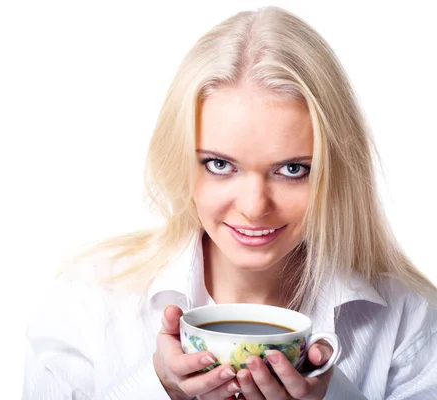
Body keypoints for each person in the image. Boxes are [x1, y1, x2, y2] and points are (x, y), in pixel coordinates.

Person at [22, 6, 437, 400]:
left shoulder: (407, 318)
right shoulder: (90, 303)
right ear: (180, 161)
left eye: (292, 169)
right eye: (220, 164)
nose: (255, 206)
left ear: (337, 172)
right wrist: (157, 390)